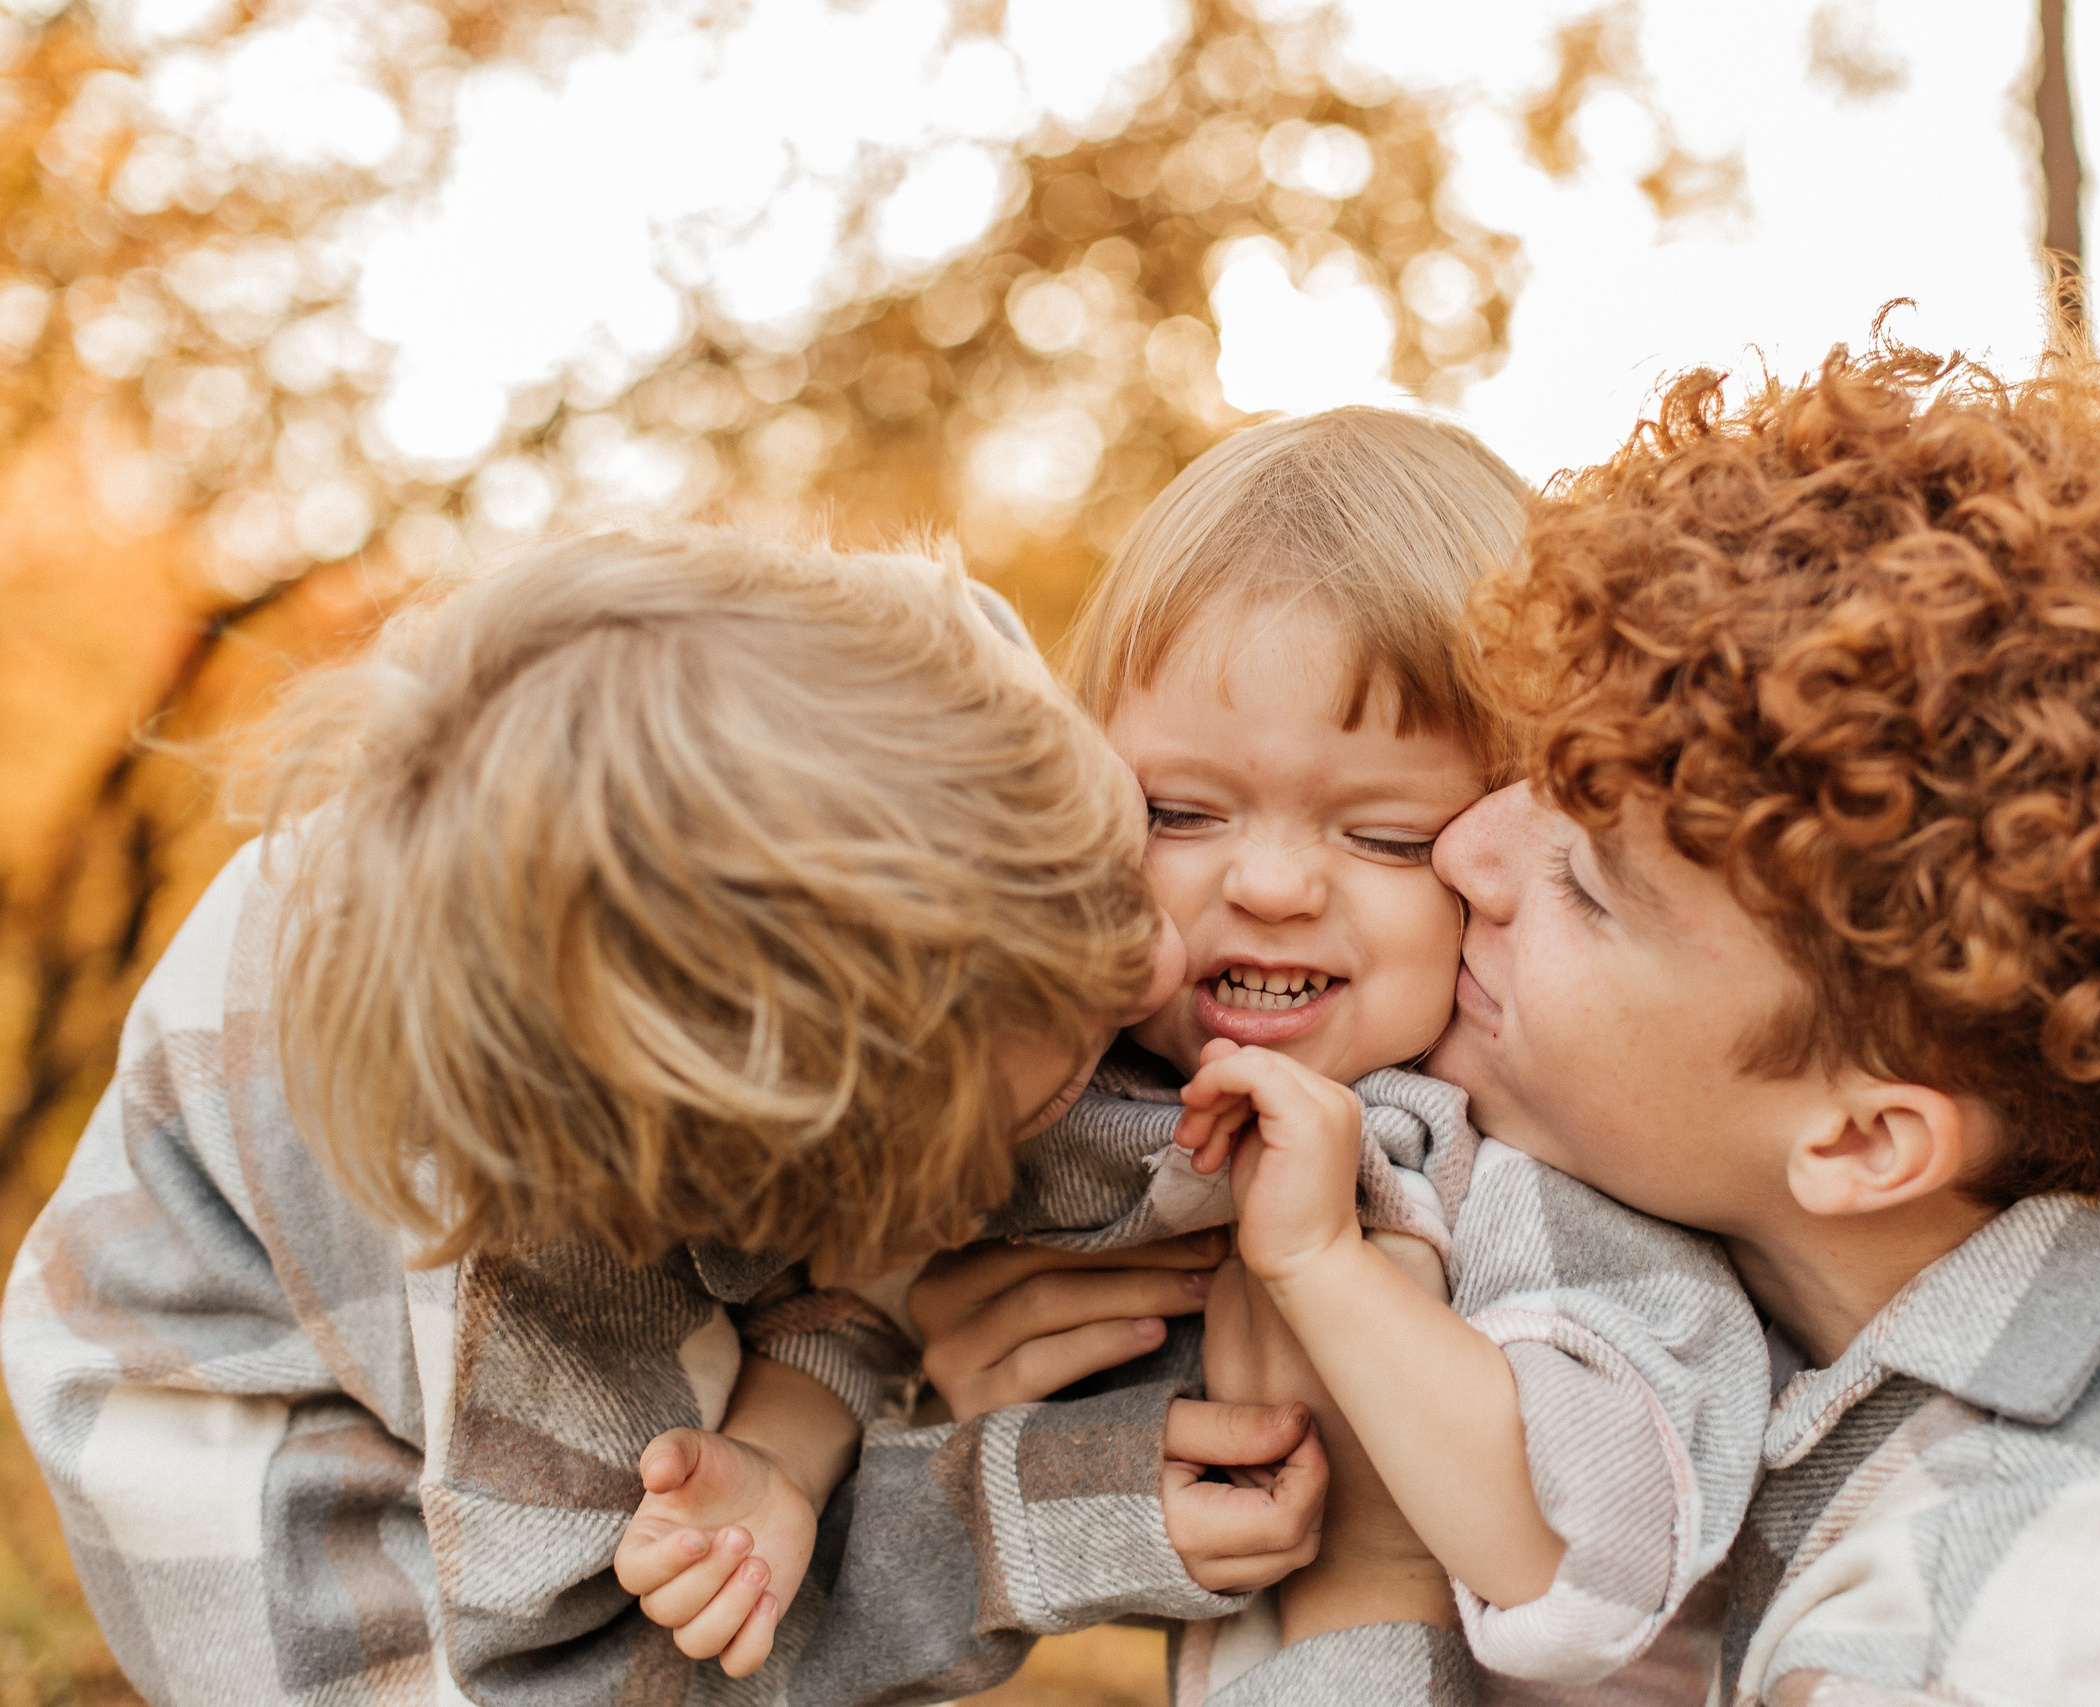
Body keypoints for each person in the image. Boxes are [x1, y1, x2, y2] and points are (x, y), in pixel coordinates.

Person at [1195, 345, 2100, 1704]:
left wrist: (1358, 1585)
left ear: (1860, 1141)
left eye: (1588, 886)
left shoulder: (1954, 1638)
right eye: (1546, 776)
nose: (1467, 851)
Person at [0, 530, 1324, 1705]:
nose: (1154, 959)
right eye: (1056, 1056)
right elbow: (585, 1678)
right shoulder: (538, 1274)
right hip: (339, 1565)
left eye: (1111, 857)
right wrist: (1013, 1512)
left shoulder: (939, 680)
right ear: (771, 1200)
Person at [626, 408, 1768, 1701]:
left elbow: (1592, 1547)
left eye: (1388, 835)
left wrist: (1327, 1268)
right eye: (1179, 812)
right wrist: (780, 1464)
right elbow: (862, 1296)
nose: (1271, 884)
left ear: (1511, 838)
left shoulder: (1538, 1149)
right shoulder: (1096, 1104)